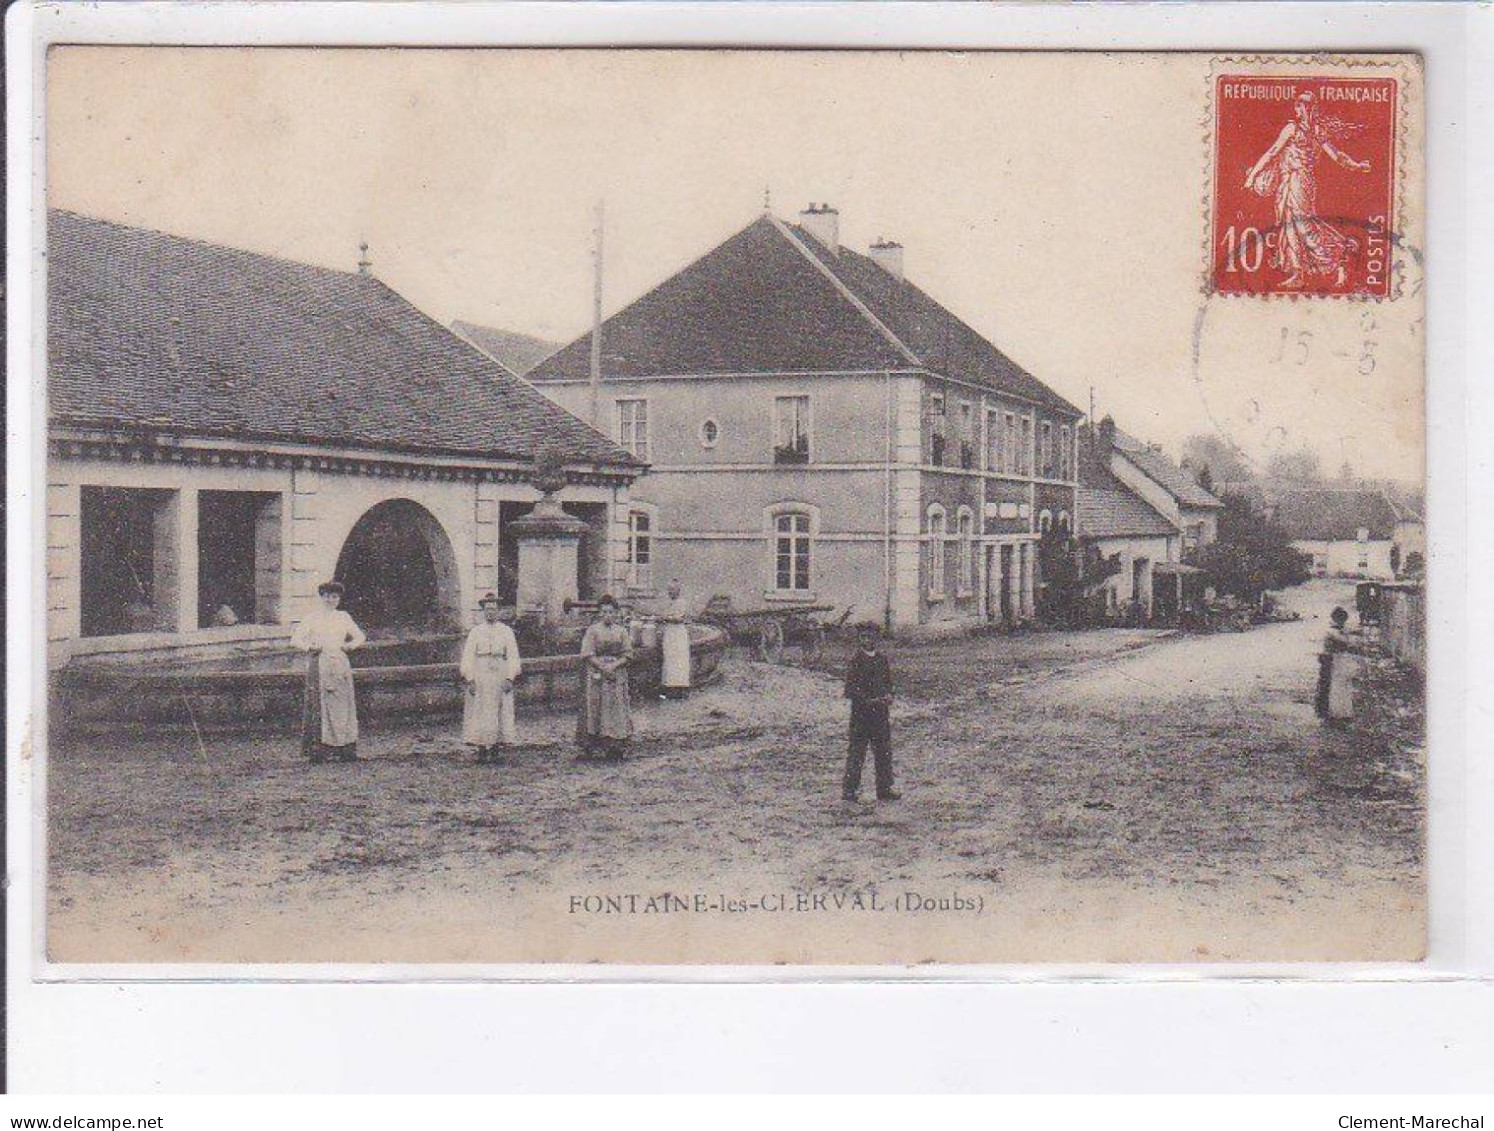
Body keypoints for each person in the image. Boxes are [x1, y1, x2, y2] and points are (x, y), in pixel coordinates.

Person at [1244, 90, 1372, 290]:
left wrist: (1357, 166)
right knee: (1289, 226)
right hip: (1289, 181)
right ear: (1297, 108)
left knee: (1303, 225)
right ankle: (1298, 273)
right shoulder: (1296, 129)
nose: (1303, 109)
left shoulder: (1313, 131)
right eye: (1301, 105)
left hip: (1301, 182)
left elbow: (1337, 156)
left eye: (1307, 106)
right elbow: (1272, 152)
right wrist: (1253, 175)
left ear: (1310, 108)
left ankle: (1341, 255)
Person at [291, 581, 366, 763]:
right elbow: (295, 639)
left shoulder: (343, 617)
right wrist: (310, 646)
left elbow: (360, 636)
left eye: (334, 597)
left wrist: (349, 645)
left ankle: (345, 748)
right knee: (321, 705)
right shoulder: (312, 617)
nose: (330, 600)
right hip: (321, 662)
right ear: (321, 597)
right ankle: (320, 750)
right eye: (326, 596)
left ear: (339, 599)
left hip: (340, 663)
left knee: (343, 704)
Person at [460, 593, 523, 763]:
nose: (491, 613)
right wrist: (470, 678)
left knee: (499, 710)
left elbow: (513, 656)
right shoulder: (476, 631)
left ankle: (495, 748)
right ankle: (481, 749)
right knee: (480, 710)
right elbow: (467, 657)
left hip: (499, 672)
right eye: (487, 609)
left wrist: (510, 677)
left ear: (499, 611)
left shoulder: (506, 631)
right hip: (480, 672)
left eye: (494, 609)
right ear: (483, 611)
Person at [842, 623, 899, 803]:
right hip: (861, 715)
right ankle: (849, 790)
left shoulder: (882, 659)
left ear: (876, 639)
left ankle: (884, 788)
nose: (866, 641)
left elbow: (889, 682)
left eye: (869, 637)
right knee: (857, 752)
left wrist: (889, 695)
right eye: (863, 638)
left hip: (881, 714)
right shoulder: (856, 661)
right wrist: (867, 700)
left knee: (883, 752)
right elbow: (850, 689)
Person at [578, 594, 634, 759]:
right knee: (596, 705)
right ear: (599, 613)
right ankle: (593, 743)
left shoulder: (621, 631)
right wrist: (602, 666)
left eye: (611, 612)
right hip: (597, 673)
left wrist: (614, 665)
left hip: (616, 672)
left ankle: (614, 744)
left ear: (616, 613)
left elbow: (628, 653)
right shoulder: (593, 630)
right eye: (604, 612)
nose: (607, 615)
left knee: (615, 707)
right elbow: (587, 653)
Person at [1319, 606, 1365, 724]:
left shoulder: (1339, 629)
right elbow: (1345, 641)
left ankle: (1339, 712)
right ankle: (1333, 712)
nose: (1342, 622)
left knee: (1339, 686)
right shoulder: (1332, 631)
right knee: (1333, 686)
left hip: (1336, 660)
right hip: (1331, 660)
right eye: (1340, 619)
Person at [657, 578, 692, 700]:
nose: (669, 592)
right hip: (670, 633)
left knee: (679, 660)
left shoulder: (682, 603)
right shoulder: (670, 603)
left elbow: (678, 618)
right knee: (669, 659)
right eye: (669, 590)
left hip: (678, 633)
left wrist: (664, 617)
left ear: (678, 590)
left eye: (672, 589)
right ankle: (669, 689)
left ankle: (681, 689)